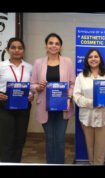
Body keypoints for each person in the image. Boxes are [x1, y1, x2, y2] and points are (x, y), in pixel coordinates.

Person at [30, 33, 75, 164]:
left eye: (57, 43)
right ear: (46, 45)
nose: (53, 46)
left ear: (61, 46)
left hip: (63, 106)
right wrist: (38, 87)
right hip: (45, 106)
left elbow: (73, 83)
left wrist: (69, 96)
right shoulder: (38, 63)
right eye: (51, 43)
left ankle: (59, 163)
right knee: (50, 139)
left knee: (60, 139)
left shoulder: (68, 62)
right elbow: (32, 84)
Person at [73, 48, 105, 165]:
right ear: (87, 60)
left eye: (96, 56)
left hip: (104, 116)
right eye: (90, 57)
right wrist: (93, 102)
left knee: (101, 147)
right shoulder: (81, 77)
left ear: (100, 59)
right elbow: (76, 96)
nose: (93, 59)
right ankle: (92, 163)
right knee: (89, 145)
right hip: (87, 117)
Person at [0, 37, 33, 162]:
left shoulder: (30, 67)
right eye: (13, 47)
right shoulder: (1, 65)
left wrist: (31, 94)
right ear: (8, 50)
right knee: (6, 141)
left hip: (23, 106)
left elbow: (32, 86)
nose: (16, 50)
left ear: (23, 51)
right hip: (4, 105)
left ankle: (15, 164)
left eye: (20, 48)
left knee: (20, 140)